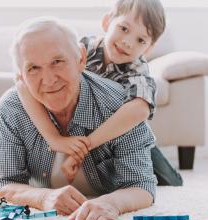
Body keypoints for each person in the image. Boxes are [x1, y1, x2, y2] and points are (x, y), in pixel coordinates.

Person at [0, 17, 157, 220]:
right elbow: (4, 185)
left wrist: (110, 203)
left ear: (81, 58)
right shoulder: (11, 109)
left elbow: (141, 186)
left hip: (135, 144)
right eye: (33, 68)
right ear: (20, 76)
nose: (48, 80)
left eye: (57, 62)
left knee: (163, 175)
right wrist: (43, 197)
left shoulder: (121, 108)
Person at [16, 0, 183, 186]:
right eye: (124, 29)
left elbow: (140, 110)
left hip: (123, 135)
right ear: (107, 22)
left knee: (170, 181)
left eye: (140, 40)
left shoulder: (137, 70)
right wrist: (54, 139)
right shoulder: (83, 48)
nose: (127, 42)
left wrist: (87, 145)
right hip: (84, 126)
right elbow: (21, 84)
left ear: (149, 48)